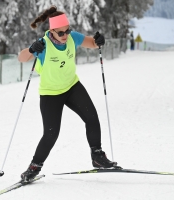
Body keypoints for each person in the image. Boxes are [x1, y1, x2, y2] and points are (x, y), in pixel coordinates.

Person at [18, 6, 118, 182]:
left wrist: (99, 41)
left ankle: (98, 157)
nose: (65, 36)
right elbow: (21, 58)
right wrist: (32, 49)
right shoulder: (43, 45)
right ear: (52, 31)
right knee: (51, 133)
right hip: (50, 94)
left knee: (92, 118)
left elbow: (93, 44)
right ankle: (34, 167)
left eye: (67, 31)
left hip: (72, 87)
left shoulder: (72, 37)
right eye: (61, 33)